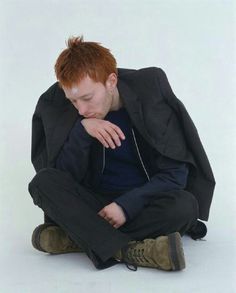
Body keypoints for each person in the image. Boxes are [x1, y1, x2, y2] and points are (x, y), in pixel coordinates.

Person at [28, 36, 215, 271]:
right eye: (73, 101)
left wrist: (127, 206)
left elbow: (175, 175)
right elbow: (64, 177)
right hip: (93, 204)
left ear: (111, 81)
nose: (82, 109)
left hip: (144, 202)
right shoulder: (71, 113)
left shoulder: (151, 96)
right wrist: (82, 131)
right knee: (42, 182)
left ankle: (78, 239)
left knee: (185, 206)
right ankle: (130, 251)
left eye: (87, 98)